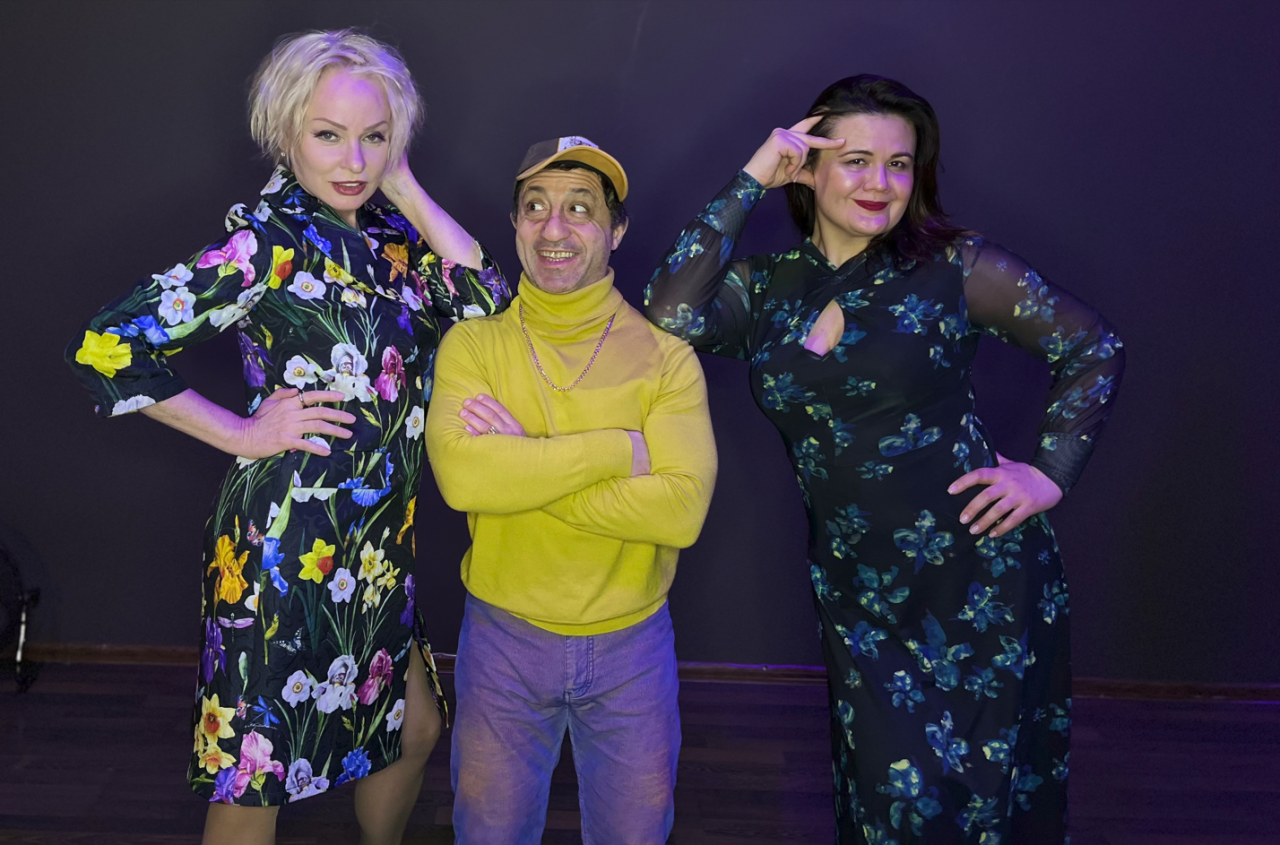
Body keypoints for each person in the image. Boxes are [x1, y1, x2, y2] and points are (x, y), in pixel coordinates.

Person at [644, 75, 1125, 844]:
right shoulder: (768, 289)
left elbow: (1092, 345)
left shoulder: (954, 268)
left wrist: (1048, 473)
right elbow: (669, 312)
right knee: (887, 802)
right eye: (857, 160)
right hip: (859, 593)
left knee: (982, 804)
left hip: (980, 582)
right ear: (809, 169)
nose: (880, 182)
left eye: (899, 164)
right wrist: (753, 176)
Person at [64, 30, 508, 845]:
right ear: (285, 132)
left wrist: (403, 182)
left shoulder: (393, 236)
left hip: (377, 544)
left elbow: (487, 305)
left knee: (411, 728)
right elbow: (106, 346)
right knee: (256, 771)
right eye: (328, 134)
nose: (354, 160)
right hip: (285, 544)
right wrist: (241, 430)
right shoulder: (266, 242)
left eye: (375, 136)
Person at [423, 136, 717, 844]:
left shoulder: (667, 360)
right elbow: (464, 479)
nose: (554, 228)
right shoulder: (473, 347)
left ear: (616, 231)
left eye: (580, 208)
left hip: (632, 648)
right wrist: (617, 451)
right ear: (516, 225)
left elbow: (680, 512)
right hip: (502, 641)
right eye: (536, 208)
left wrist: (522, 464)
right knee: (488, 834)